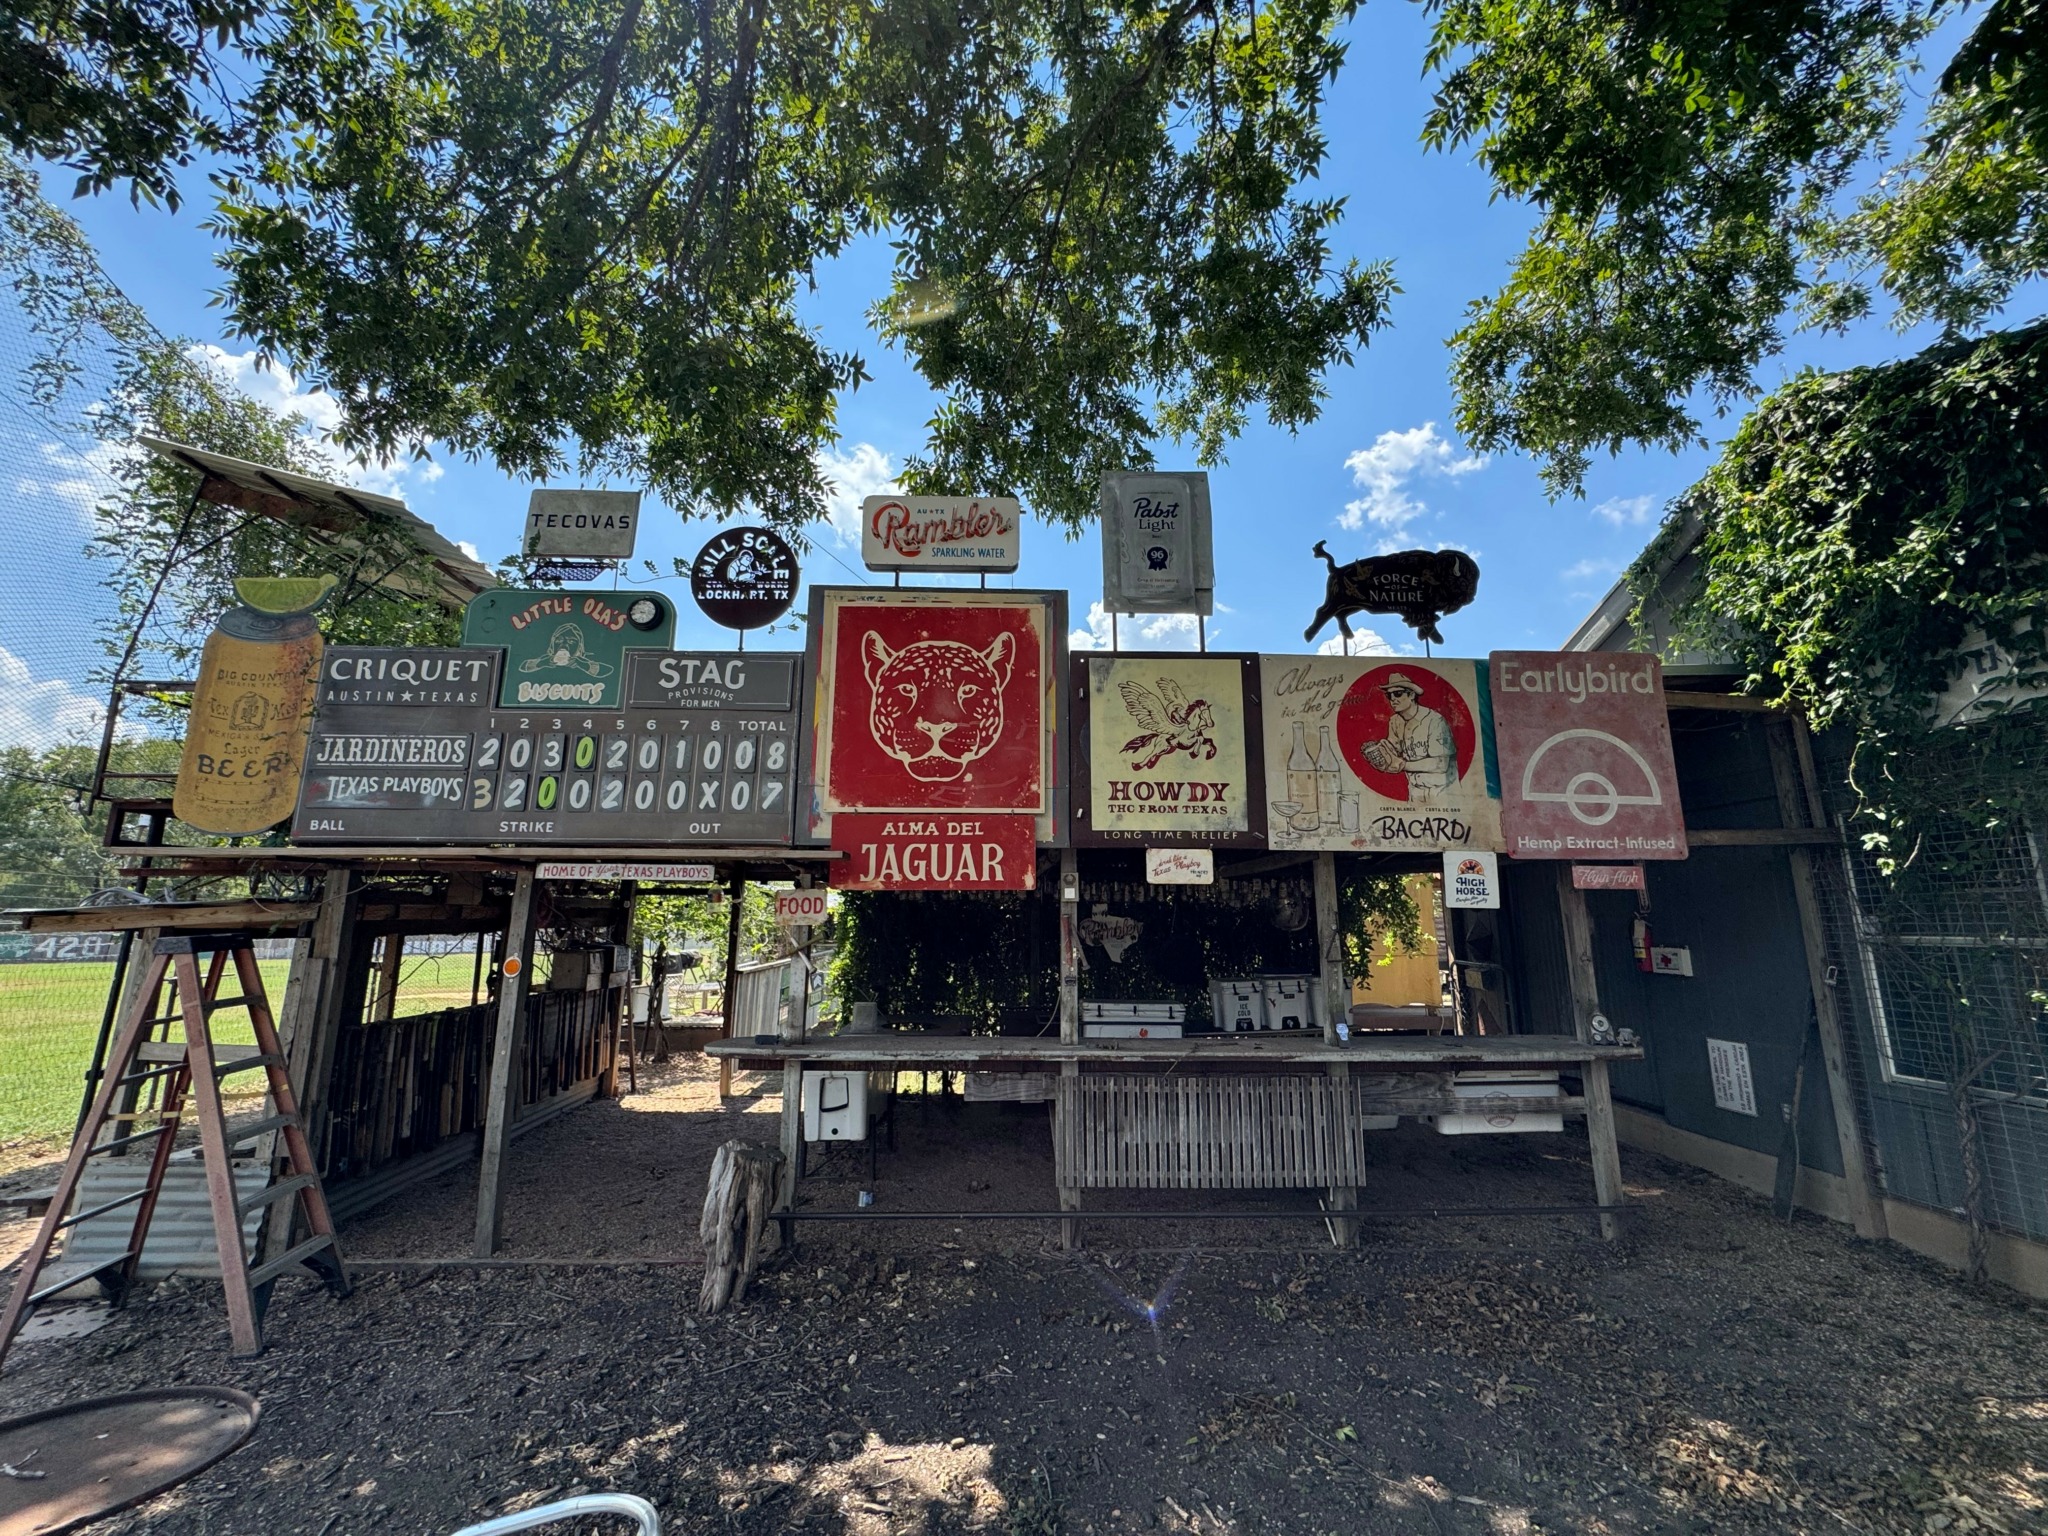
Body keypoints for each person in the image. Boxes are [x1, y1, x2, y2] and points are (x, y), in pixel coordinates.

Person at [1361, 672, 1456, 803]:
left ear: (1411, 695)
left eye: (1398, 693)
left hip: (1444, 793)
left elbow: (1441, 765)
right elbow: (1394, 751)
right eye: (1389, 695)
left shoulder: (1435, 720)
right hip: (1415, 791)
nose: (1393, 699)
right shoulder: (1395, 721)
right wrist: (1380, 751)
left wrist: (1402, 765)